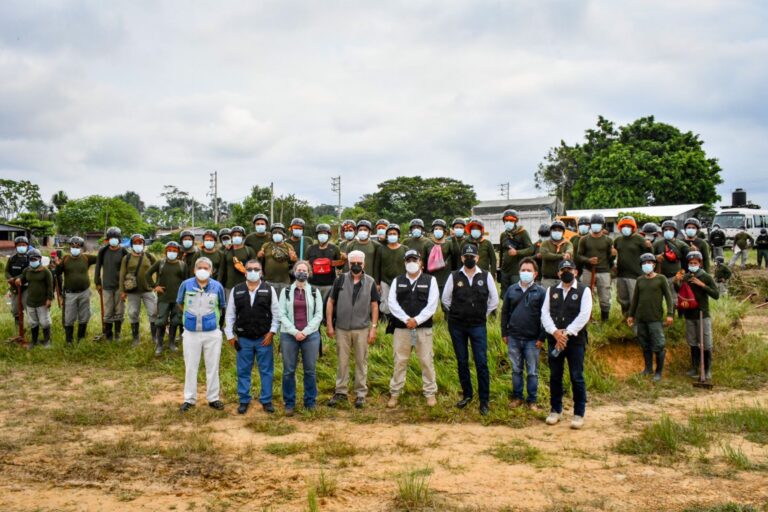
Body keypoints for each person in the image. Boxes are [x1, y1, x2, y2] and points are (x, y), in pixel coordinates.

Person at [442, 244, 500, 415]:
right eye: (466, 256)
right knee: (462, 361)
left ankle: (484, 401)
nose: (469, 259)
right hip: (457, 326)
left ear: (477, 258)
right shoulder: (454, 276)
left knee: (481, 363)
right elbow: (445, 299)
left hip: (477, 325)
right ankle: (467, 395)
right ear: (461, 258)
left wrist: (482, 314)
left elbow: (494, 300)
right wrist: (458, 313)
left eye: (472, 256)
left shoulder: (486, 276)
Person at [224, 259, 280, 415]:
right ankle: (244, 400)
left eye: (256, 269)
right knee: (243, 370)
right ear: (245, 271)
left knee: (266, 371)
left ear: (261, 272)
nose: (253, 272)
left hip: (264, 338)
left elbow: (276, 314)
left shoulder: (269, 290)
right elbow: (230, 315)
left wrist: (272, 332)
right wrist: (230, 335)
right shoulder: (237, 290)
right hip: (244, 339)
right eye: (250, 269)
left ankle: (266, 400)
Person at [541, 260, 592, 429]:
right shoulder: (551, 290)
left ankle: (579, 413)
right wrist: (555, 332)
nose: (566, 272)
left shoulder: (584, 291)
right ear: (558, 274)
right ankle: (556, 410)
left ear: (575, 272)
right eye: (563, 270)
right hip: (554, 339)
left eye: (569, 269)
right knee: (555, 376)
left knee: (576, 376)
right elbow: (545, 314)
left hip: (575, 341)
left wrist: (567, 333)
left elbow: (584, 315)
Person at [326, 250, 380, 409]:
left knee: (361, 361)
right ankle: (341, 392)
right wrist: (329, 324)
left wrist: (373, 328)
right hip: (341, 328)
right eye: (353, 263)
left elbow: (375, 305)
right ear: (349, 263)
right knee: (342, 361)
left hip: (362, 329)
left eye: (359, 263)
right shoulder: (340, 279)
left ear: (364, 264)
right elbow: (330, 302)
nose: (356, 265)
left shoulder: (370, 281)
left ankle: (361, 394)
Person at [387, 250, 439, 408]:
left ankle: (430, 393)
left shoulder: (431, 280)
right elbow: (392, 303)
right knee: (400, 361)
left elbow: (432, 305)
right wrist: (406, 320)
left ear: (421, 262)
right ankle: (395, 393)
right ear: (404, 263)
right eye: (408, 260)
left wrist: (416, 320)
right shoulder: (398, 280)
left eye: (414, 259)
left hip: (423, 328)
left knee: (426, 360)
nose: (411, 262)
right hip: (402, 328)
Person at [177, 257, 227, 412]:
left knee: (213, 366)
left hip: (212, 333)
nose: (203, 270)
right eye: (200, 267)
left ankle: (213, 398)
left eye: (206, 268)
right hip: (191, 333)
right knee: (191, 366)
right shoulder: (186, 285)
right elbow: (180, 303)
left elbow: (222, 306)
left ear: (211, 271)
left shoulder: (217, 286)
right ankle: (189, 399)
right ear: (194, 269)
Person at [278, 260, 324, 416]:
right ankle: (289, 403)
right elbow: (281, 314)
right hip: (288, 336)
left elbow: (319, 315)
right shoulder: (285, 292)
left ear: (309, 273)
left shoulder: (314, 292)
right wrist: (294, 331)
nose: (302, 272)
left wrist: (304, 332)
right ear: (294, 272)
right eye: (299, 270)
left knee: (310, 371)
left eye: (305, 270)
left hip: (310, 336)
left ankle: (310, 402)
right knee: (288, 371)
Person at [500, 258, 546, 409]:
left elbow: (546, 316)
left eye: (529, 270)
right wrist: (504, 333)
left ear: (535, 274)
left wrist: (541, 337)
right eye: (523, 270)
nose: (526, 273)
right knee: (516, 370)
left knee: (532, 372)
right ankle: (517, 397)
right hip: (513, 337)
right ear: (519, 272)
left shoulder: (540, 292)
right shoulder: (512, 290)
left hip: (533, 340)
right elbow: (505, 312)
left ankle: (532, 400)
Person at [627, 253, 674, 381]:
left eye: (649, 263)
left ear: (654, 264)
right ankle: (648, 369)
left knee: (658, 345)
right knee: (645, 344)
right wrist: (631, 315)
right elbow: (635, 299)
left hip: (655, 318)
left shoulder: (661, 279)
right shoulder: (640, 280)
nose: (647, 265)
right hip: (641, 318)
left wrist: (670, 314)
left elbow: (669, 298)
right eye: (644, 264)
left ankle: (658, 372)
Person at [674, 251, 719, 380]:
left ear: (700, 263)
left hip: (702, 313)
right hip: (689, 314)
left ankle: (707, 369)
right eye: (690, 263)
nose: (693, 265)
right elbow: (681, 293)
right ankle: (694, 367)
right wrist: (676, 282)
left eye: (695, 263)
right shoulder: (686, 277)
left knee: (705, 342)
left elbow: (716, 295)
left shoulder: (706, 277)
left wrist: (702, 285)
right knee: (693, 342)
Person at [52, 236, 97, 343]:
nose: (75, 248)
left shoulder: (87, 258)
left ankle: (81, 339)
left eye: (77, 246)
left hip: (84, 292)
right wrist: (57, 265)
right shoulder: (66, 259)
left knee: (84, 316)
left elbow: (100, 258)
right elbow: (57, 273)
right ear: (70, 247)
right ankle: (69, 341)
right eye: (73, 246)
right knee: (69, 317)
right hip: (70, 294)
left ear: (81, 248)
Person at [145, 242, 187, 355]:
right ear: (165, 251)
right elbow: (147, 274)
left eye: (174, 250)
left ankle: (171, 343)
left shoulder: (182, 265)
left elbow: (186, 281)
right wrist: (155, 286)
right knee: (161, 321)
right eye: (169, 250)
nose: (172, 252)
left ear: (178, 252)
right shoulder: (160, 263)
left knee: (176, 320)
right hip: (163, 298)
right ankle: (159, 345)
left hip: (177, 299)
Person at [119, 233, 158, 346]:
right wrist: (122, 291)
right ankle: (136, 338)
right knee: (133, 313)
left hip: (148, 290)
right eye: (135, 243)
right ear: (132, 244)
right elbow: (122, 275)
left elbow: (159, 267)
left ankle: (154, 337)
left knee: (153, 312)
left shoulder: (149, 256)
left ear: (143, 244)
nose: (138, 245)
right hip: (132, 291)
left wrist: (157, 284)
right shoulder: (127, 258)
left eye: (140, 242)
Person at [576, 213, 613, 321]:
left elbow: (610, 259)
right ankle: (586, 318)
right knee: (585, 295)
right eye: (593, 223)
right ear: (590, 225)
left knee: (605, 296)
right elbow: (578, 256)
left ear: (602, 225)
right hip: (588, 270)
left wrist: (613, 255)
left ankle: (604, 320)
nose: (595, 226)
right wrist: (588, 260)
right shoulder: (584, 239)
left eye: (598, 224)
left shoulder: (608, 240)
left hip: (604, 271)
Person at [613, 216, 652, 317]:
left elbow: (649, 255)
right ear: (620, 228)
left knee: (634, 299)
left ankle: (635, 319)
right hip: (621, 274)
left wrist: (649, 247)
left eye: (629, 226)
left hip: (635, 274)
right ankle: (626, 317)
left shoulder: (639, 239)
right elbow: (613, 255)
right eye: (624, 226)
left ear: (633, 227)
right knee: (622, 299)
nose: (626, 228)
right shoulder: (617, 240)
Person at [95, 227, 128, 341]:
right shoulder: (102, 251)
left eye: (115, 238)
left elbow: (128, 269)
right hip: (107, 286)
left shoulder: (124, 252)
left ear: (119, 239)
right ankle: (108, 335)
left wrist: (126, 287)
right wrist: (97, 282)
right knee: (108, 310)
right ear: (107, 240)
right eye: (111, 238)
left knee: (119, 310)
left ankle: (117, 334)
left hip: (120, 286)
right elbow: (98, 267)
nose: (113, 240)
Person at [17, 249, 53, 348]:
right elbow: (22, 278)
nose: (33, 261)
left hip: (42, 301)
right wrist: (19, 279)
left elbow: (50, 286)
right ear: (28, 260)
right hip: (30, 302)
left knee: (45, 322)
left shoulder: (46, 271)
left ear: (39, 259)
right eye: (31, 259)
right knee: (33, 322)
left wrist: (49, 299)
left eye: (35, 259)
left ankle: (47, 341)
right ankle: (34, 341)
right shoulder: (27, 270)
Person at [653, 220, 689, 306]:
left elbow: (689, 259)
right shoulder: (657, 244)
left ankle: (674, 316)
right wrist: (656, 257)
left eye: (671, 230)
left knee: (674, 300)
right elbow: (648, 257)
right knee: (657, 299)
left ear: (675, 231)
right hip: (660, 276)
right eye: (665, 230)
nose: (668, 231)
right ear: (662, 231)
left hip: (675, 277)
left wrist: (683, 274)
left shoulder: (682, 245)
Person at [498, 209, 534, 293]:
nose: (508, 222)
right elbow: (501, 252)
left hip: (516, 271)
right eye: (506, 220)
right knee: (505, 294)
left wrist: (517, 252)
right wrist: (500, 268)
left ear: (515, 221)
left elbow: (531, 249)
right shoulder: (503, 235)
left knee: (516, 293)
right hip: (505, 271)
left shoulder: (522, 233)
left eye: (511, 220)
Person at [306, 223, 342, 306]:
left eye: (325, 233)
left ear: (328, 235)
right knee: (313, 306)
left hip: (329, 284)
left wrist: (343, 259)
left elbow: (340, 266)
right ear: (317, 235)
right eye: (320, 233)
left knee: (328, 306)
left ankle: (328, 319)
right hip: (312, 283)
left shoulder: (334, 248)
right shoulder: (310, 248)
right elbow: (306, 265)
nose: (322, 235)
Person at [259, 223, 297, 297]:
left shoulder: (289, 246)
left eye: (279, 232)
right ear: (271, 235)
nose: (277, 234)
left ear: (283, 235)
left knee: (282, 303)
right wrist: (259, 256)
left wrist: (294, 260)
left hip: (284, 281)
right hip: (269, 281)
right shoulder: (266, 246)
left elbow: (294, 264)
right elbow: (260, 262)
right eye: (275, 232)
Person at [377, 223, 406, 320]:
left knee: (400, 300)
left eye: (394, 233)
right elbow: (377, 267)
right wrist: (378, 283)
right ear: (387, 236)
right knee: (385, 301)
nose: (392, 235)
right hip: (385, 280)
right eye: (390, 234)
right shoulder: (381, 249)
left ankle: (399, 318)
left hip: (401, 280)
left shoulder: (405, 249)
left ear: (398, 235)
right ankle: (386, 319)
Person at [219, 226, 256, 294]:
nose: (237, 237)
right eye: (234, 235)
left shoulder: (249, 250)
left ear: (243, 237)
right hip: (229, 286)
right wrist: (219, 283)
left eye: (239, 235)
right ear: (231, 237)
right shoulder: (227, 251)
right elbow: (222, 269)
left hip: (246, 286)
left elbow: (255, 267)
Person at [539, 220, 573, 289]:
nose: (557, 232)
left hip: (563, 279)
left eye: (559, 230)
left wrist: (568, 253)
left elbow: (570, 249)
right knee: (547, 298)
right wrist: (561, 256)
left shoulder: (567, 243)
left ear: (563, 232)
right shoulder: (545, 243)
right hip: (547, 279)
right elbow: (545, 255)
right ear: (551, 231)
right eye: (554, 230)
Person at [426, 219, 456, 296]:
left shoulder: (449, 243)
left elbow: (456, 254)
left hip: (445, 279)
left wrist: (453, 238)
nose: (438, 230)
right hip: (431, 278)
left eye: (440, 229)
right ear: (433, 231)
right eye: (436, 229)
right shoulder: (427, 244)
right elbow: (423, 260)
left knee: (445, 303)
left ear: (444, 231)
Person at [6, 235, 31, 327]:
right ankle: (18, 327)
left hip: (26, 287)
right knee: (15, 309)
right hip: (14, 287)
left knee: (27, 306)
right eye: (19, 245)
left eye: (23, 245)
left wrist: (17, 278)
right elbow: (7, 271)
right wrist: (10, 278)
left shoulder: (29, 258)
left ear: (27, 246)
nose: (21, 247)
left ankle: (31, 327)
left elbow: (27, 272)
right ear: (16, 246)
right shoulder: (12, 259)